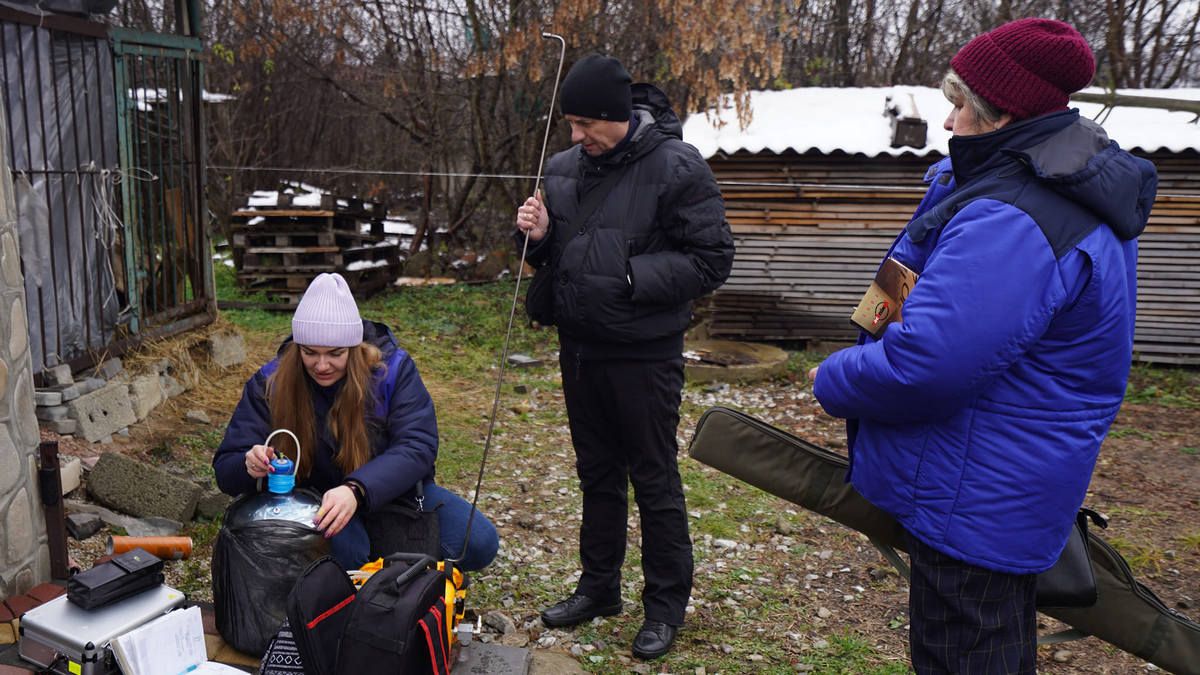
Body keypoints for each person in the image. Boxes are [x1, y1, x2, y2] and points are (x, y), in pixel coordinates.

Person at [808, 18, 1157, 674]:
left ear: (1002, 116)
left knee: (967, 655)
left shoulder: (1017, 217)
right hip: (990, 484)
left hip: (976, 503)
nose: (947, 121)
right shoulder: (1018, 182)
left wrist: (835, 377)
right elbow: (918, 294)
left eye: (958, 102)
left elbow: (928, 364)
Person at [514, 54, 734, 659]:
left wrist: (631, 278)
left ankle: (664, 606)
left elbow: (712, 260)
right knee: (596, 475)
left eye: (587, 124)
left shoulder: (677, 167)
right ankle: (598, 588)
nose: (577, 136)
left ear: (617, 117)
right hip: (579, 348)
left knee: (654, 477)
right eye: (571, 124)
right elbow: (551, 255)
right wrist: (533, 235)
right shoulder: (560, 169)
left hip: (644, 353)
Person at [213, 272, 499, 572]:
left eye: (335, 354)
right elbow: (226, 467)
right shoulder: (269, 382)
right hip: (316, 502)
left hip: (392, 494)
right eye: (309, 353)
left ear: (354, 347)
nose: (321, 365)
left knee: (477, 541)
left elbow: (418, 446)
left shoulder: (392, 371)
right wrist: (249, 465)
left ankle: (384, 563)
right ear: (298, 348)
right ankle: (376, 568)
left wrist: (357, 490)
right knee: (348, 556)